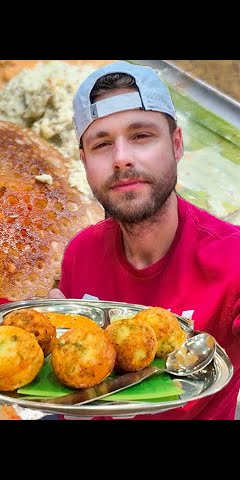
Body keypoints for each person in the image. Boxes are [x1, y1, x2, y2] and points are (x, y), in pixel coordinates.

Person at [45, 61, 240, 420]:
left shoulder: (233, 258)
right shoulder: (80, 252)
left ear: (176, 145)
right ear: (85, 161)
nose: (121, 158)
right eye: (102, 144)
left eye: (141, 136)